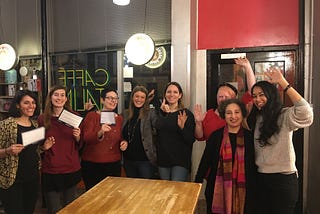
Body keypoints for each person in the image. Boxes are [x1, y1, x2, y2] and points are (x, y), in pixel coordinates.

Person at [247, 68, 313, 214]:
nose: (257, 99)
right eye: (254, 96)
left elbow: (306, 113)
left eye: (262, 95)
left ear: (271, 95)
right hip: (262, 178)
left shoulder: (284, 115)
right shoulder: (257, 118)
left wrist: (283, 83)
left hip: (283, 180)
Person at [195, 99, 257, 214]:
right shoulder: (216, 136)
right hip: (216, 189)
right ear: (224, 115)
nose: (233, 116)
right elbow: (205, 162)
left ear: (243, 114)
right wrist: (196, 185)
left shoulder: (250, 138)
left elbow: (255, 166)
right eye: (229, 113)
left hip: (246, 190)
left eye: (237, 112)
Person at [38, 85, 82, 214]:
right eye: (56, 94)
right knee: (54, 209)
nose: (59, 98)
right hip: (51, 170)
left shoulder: (74, 116)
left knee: (71, 208)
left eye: (62, 95)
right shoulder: (42, 119)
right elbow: (38, 146)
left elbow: (80, 144)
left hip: (70, 168)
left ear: (66, 98)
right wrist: (44, 147)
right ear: (50, 98)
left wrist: (78, 136)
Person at [194, 57, 256, 141]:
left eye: (226, 97)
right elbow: (199, 137)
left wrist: (247, 67)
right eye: (220, 97)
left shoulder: (240, 110)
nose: (223, 99)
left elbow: (252, 90)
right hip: (214, 153)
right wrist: (198, 123)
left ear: (234, 98)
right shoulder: (208, 115)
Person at [0, 90, 41, 214]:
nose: (31, 106)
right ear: (18, 105)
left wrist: (45, 147)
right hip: (12, 179)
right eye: (26, 103)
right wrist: (7, 151)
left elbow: (34, 150)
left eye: (33, 103)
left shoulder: (35, 124)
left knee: (29, 210)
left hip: (32, 177)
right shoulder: (5, 125)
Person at [81, 87, 124, 190]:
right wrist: (100, 132)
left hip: (113, 164)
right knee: (93, 197)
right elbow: (86, 137)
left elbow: (121, 136)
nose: (113, 101)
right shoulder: (92, 116)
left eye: (115, 98)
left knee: (111, 197)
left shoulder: (119, 119)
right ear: (102, 100)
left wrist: (123, 142)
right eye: (109, 98)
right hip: (93, 164)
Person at [156, 82, 195, 181]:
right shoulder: (159, 113)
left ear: (180, 95)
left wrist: (182, 128)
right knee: (165, 192)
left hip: (180, 160)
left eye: (175, 92)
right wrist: (164, 113)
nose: (171, 94)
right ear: (165, 94)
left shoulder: (186, 114)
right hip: (163, 159)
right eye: (169, 92)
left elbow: (191, 139)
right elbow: (157, 131)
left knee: (176, 191)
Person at [121, 85, 158, 179]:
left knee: (145, 191)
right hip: (128, 160)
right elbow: (119, 133)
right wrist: (122, 141)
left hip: (145, 160)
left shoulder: (150, 113)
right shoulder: (125, 114)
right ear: (132, 97)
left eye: (142, 97)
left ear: (146, 100)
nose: (139, 99)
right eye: (137, 96)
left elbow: (159, 127)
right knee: (132, 190)